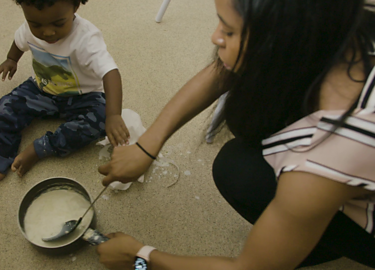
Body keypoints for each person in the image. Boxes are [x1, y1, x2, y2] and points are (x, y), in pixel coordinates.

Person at [96, 0, 375, 269]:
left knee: (239, 176)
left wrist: (140, 259)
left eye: (229, 31)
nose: (215, 37)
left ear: (281, 43)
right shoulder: (333, 23)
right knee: (238, 163)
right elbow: (223, 70)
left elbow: (250, 268)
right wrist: (147, 144)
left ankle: (322, 242)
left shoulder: (325, 157)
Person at [0, 0, 129, 190]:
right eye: (36, 24)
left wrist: (113, 115)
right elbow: (19, 41)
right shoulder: (29, 28)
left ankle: (41, 148)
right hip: (41, 90)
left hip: (83, 97)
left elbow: (110, 72)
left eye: (58, 23)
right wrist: (11, 59)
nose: (47, 32)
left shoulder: (86, 37)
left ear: (75, 8)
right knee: (8, 106)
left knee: (101, 119)